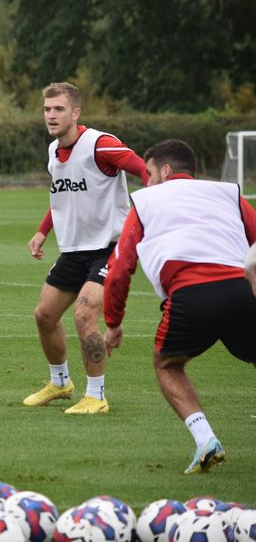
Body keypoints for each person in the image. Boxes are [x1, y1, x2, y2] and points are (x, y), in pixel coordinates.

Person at [103, 139, 256, 474]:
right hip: (241, 290)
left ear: (166, 171)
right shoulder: (228, 193)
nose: (146, 180)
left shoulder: (145, 201)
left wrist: (113, 321)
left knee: (167, 365)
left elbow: (120, 267)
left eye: (149, 173)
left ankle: (206, 441)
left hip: (192, 295)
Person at [24, 82, 149, 414]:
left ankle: (97, 395)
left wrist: (155, 209)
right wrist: (42, 232)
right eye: (47, 109)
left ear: (76, 112)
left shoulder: (101, 145)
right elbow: (63, 195)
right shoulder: (53, 151)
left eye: (59, 109)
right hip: (75, 249)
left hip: (110, 247)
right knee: (44, 314)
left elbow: (146, 172)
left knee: (84, 315)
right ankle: (61, 382)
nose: (51, 115)